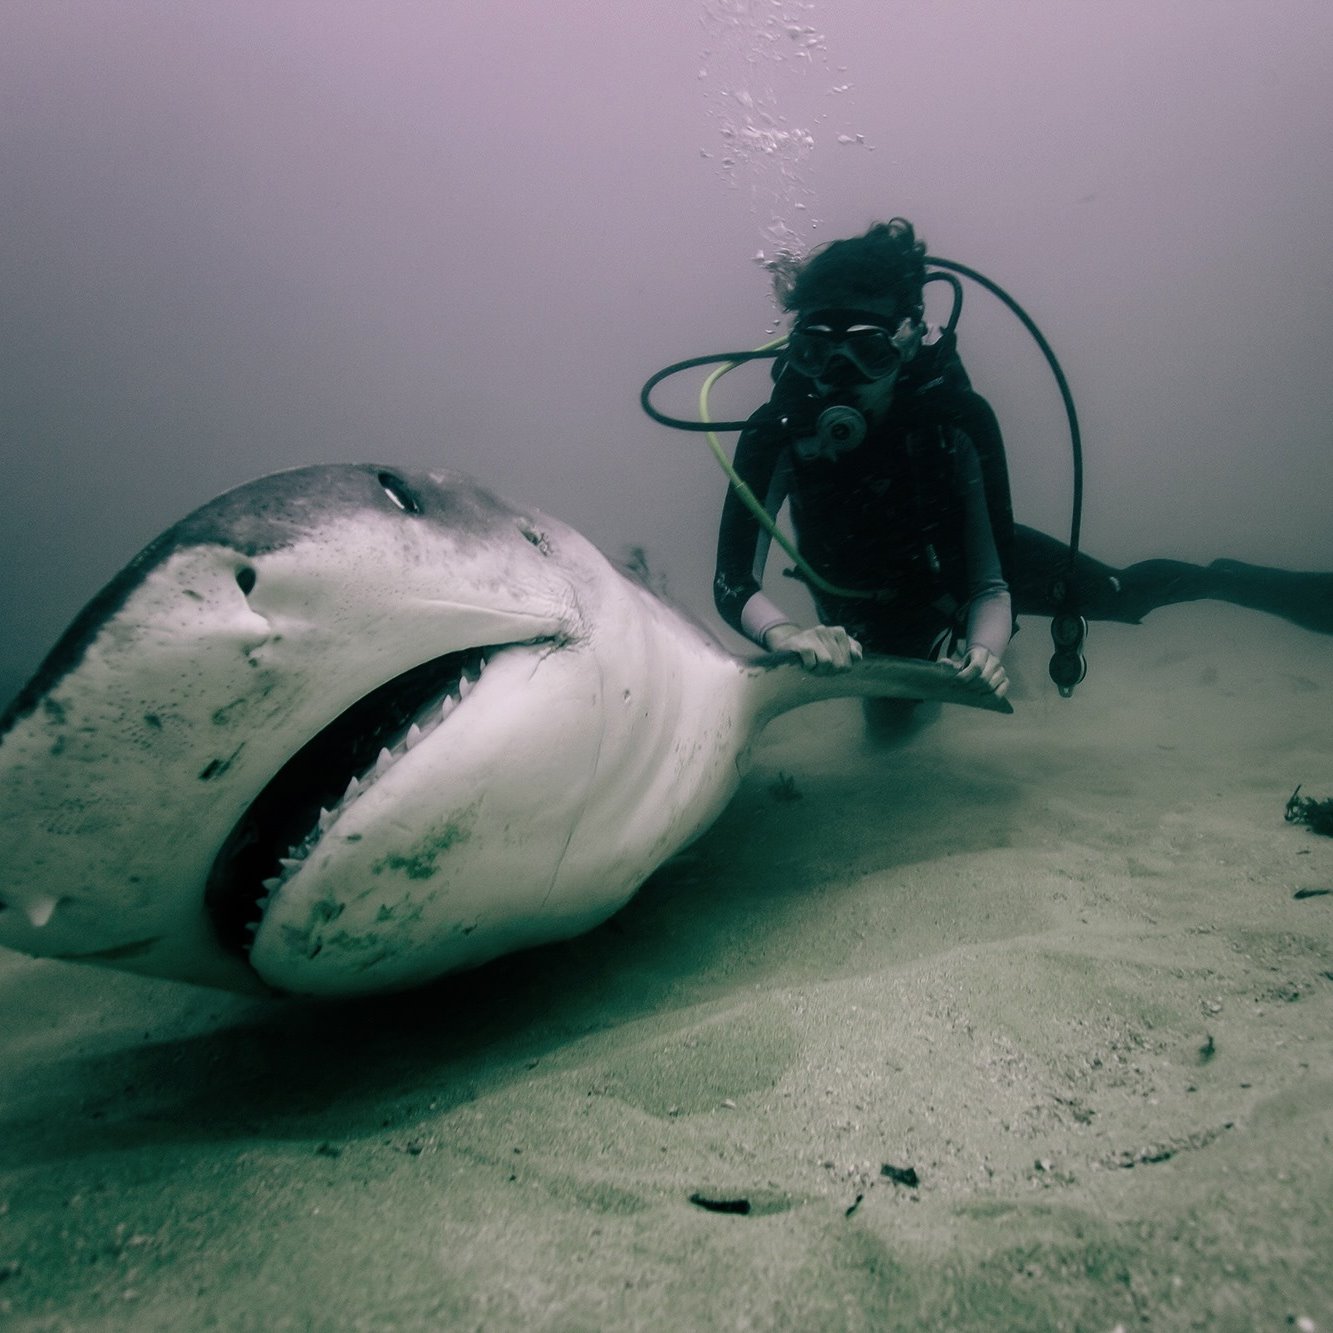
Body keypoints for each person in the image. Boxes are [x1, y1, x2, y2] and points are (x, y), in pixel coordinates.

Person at [712, 217, 1333, 741]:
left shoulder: (955, 419)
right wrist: (790, 633)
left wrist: (985, 648)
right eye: (818, 354)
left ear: (907, 345)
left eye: (869, 351)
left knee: (1121, 594)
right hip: (856, 604)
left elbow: (992, 582)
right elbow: (734, 582)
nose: (839, 379)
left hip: (963, 577)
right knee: (892, 738)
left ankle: (1227, 581)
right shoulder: (778, 432)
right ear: (797, 353)